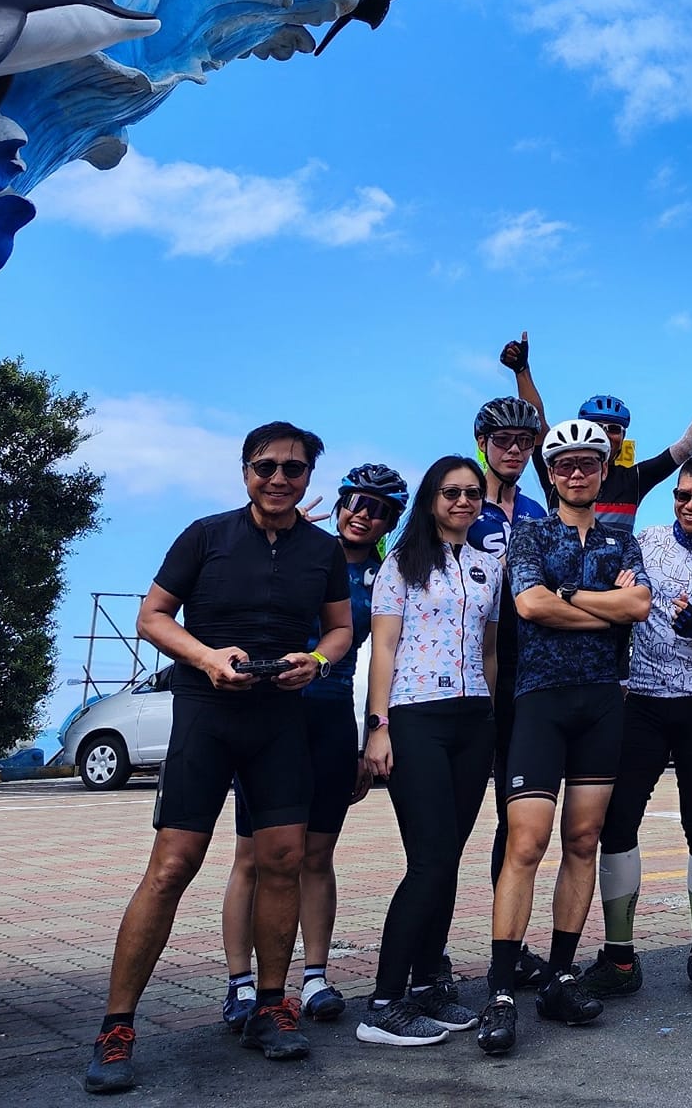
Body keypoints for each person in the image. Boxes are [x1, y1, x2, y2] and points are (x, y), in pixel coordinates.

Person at [85, 423, 353, 1094]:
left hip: (280, 719)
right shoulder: (205, 535)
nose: (279, 478)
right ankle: (117, 1028)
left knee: (284, 860)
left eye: (293, 469)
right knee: (172, 865)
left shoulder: (322, 551)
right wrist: (207, 658)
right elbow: (153, 616)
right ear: (245, 471)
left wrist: (315, 661)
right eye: (267, 466)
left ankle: (269, 1006)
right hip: (206, 716)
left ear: (308, 478)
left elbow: (343, 628)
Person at [480, 420, 653, 1054]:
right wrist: (602, 604)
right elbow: (528, 606)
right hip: (540, 702)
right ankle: (501, 992)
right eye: (564, 466)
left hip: (603, 703)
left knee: (582, 841)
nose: (576, 474)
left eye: (588, 464)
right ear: (549, 475)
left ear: (604, 472)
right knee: (525, 844)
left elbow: (639, 609)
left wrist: (573, 593)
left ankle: (557, 976)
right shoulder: (529, 534)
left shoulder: (621, 539)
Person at [219, 463, 405, 1032]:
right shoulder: (299, 549)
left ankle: (316, 977)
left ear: (390, 521)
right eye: (353, 500)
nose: (361, 513)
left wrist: (368, 736)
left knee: (316, 856)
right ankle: (240, 984)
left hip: (329, 713)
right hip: (269, 709)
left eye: (377, 508)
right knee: (254, 856)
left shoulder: (388, 576)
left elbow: (381, 661)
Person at [355, 456, 504, 1046]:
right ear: (431, 498)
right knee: (430, 861)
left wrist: (492, 713)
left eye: (472, 493)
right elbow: (384, 651)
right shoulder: (401, 563)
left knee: (448, 859)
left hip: (474, 720)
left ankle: (423, 986)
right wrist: (378, 726)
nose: (463, 502)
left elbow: (490, 650)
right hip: (415, 718)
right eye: (451, 492)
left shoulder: (489, 568)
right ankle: (384, 1002)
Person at [580, 456, 692, 1003]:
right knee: (618, 821)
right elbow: (615, 602)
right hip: (642, 699)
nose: (689, 505)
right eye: (681, 495)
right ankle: (620, 955)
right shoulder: (644, 540)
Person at [466, 395, 553, 991]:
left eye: (524, 442)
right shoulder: (462, 501)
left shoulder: (534, 511)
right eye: (504, 442)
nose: (516, 451)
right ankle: (426, 960)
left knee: (512, 821)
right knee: (449, 821)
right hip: (468, 667)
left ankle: (511, 946)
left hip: (525, 670)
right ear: (482, 443)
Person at [502, 330, 692, 534]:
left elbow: (686, 447)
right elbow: (536, 422)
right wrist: (522, 371)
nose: (605, 434)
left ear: (623, 437)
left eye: (614, 429)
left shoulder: (633, 479)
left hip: (617, 584)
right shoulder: (560, 472)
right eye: (597, 427)